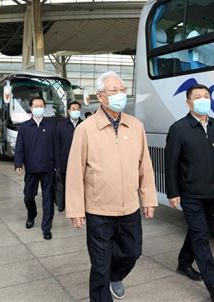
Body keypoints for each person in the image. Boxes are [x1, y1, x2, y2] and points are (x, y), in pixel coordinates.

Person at [66, 71, 158, 301]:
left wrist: (148, 199)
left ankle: (115, 276)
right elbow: (75, 171)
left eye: (123, 90)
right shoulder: (85, 129)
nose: (120, 94)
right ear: (100, 95)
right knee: (99, 266)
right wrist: (76, 209)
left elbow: (145, 166)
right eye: (113, 90)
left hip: (130, 208)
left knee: (132, 252)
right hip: (99, 211)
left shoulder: (136, 126)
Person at [164, 84, 214, 302]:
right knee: (202, 237)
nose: (204, 100)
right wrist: (172, 193)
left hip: (211, 192)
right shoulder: (179, 128)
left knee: (197, 231)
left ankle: (184, 264)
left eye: (207, 96)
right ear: (188, 103)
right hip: (190, 193)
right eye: (198, 97)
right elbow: (171, 164)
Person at [14, 96, 56, 240]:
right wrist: (18, 164)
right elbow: (19, 147)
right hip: (31, 169)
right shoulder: (25, 127)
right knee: (28, 197)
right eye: (36, 106)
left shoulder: (51, 125)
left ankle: (46, 228)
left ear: (44, 108)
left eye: (41, 106)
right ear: (31, 108)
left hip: (48, 169)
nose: (39, 108)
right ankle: (31, 214)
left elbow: (56, 146)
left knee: (48, 199)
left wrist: (57, 165)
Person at [55, 100, 83, 212]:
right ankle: (63, 204)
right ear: (68, 111)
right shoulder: (61, 125)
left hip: (80, 161)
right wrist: (56, 163)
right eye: (73, 109)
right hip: (64, 161)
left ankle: (78, 205)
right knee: (64, 184)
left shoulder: (84, 125)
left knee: (79, 185)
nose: (75, 111)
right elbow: (56, 144)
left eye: (77, 109)